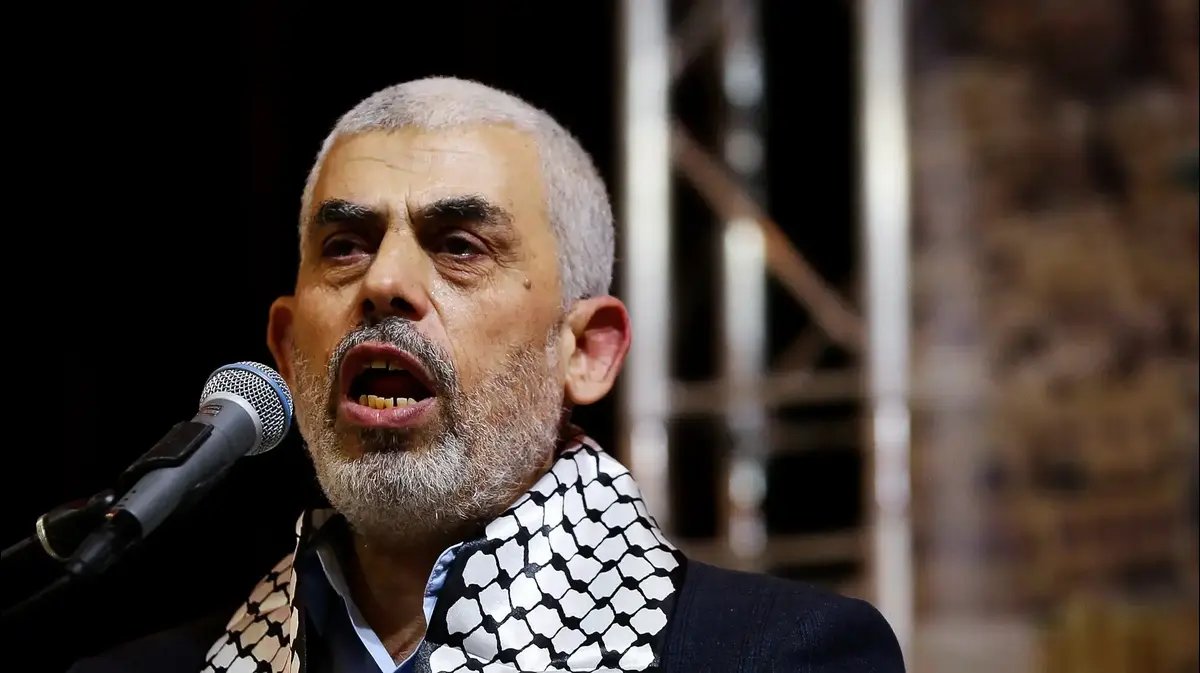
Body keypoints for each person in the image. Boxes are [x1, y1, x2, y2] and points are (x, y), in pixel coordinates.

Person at [70, 77, 904, 673]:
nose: (385, 282)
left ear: (586, 350)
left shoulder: (780, 654)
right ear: (288, 352)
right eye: (346, 246)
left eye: (460, 246)